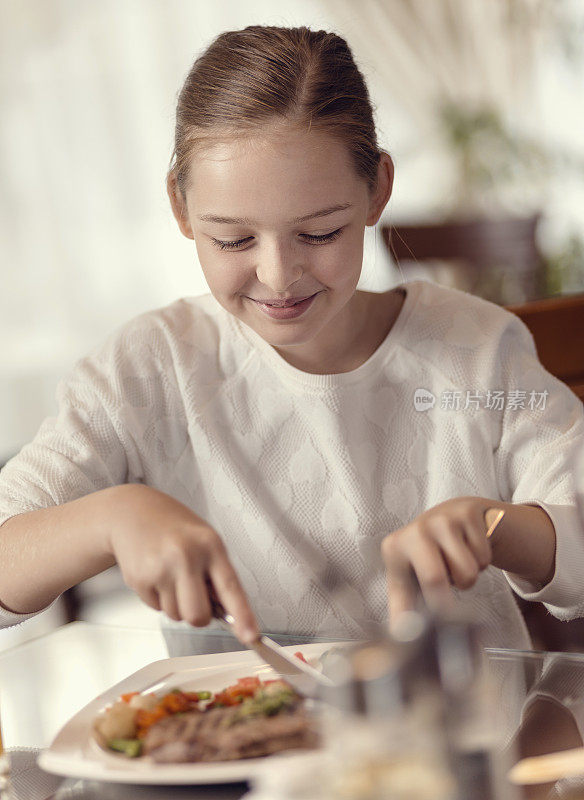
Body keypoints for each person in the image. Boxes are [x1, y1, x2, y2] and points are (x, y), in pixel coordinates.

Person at [0, 25, 583, 652]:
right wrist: (108, 520)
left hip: (459, 732)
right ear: (180, 206)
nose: (278, 276)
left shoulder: (478, 349)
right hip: (230, 741)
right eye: (233, 240)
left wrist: (495, 528)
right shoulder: (147, 370)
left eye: (321, 233)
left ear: (377, 191)